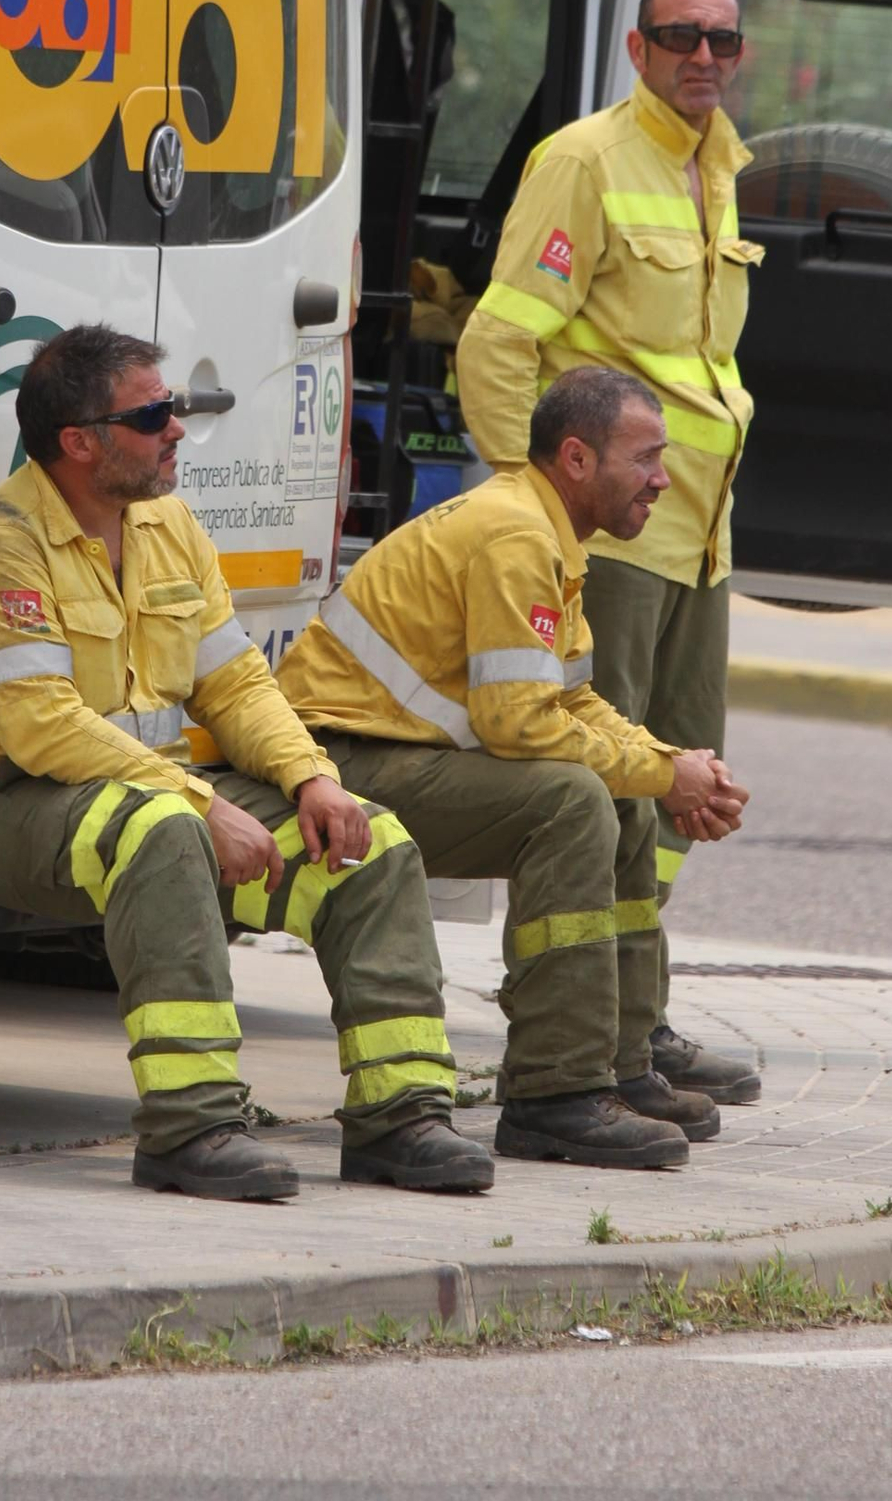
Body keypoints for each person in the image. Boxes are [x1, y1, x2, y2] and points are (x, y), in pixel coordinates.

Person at [0, 321, 493, 1204]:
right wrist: (200, 801)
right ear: (79, 443)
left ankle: (400, 1116)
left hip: (149, 796)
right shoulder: (3, 547)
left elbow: (237, 684)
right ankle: (192, 1128)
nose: (178, 425)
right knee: (165, 832)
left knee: (370, 846)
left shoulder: (169, 525)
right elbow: (44, 731)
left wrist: (311, 780)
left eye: (171, 406)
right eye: (153, 413)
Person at [277, 365, 750, 1170]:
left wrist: (667, 767)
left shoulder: (543, 530)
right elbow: (520, 722)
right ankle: (553, 1096)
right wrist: (666, 776)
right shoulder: (517, 536)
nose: (662, 480)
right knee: (572, 802)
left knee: (620, 797)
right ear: (575, 458)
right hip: (342, 768)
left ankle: (621, 1066)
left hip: (394, 755)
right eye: (644, 459)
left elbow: (570, 700)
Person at [455, 0, 763, 1106]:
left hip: (697, 538)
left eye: (722, 41)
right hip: (610, 540)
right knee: (614, 787)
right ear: (637, 47)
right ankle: (595, 1048)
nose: (703, 57)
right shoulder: (584, 161)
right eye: (680, 36)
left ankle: (636, 1014)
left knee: (680, 785)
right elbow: (496, 343)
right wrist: (524, 511)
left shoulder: (715, 166)